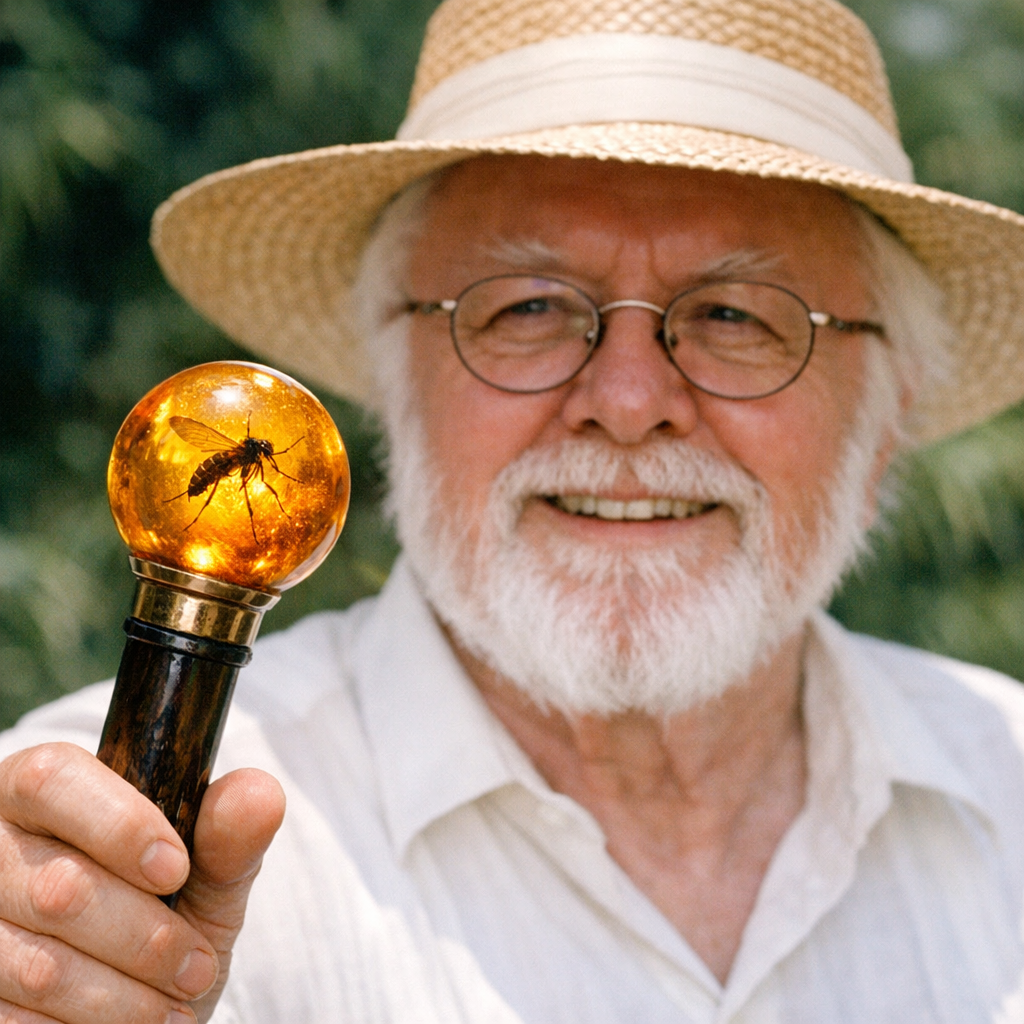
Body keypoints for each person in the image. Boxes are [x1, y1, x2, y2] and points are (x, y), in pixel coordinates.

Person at [3, 0, 1024, 1020]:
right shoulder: (78, 868)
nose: (627, 405)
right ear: (393, 385)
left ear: (887, 408)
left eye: (734, 316)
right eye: (526, 307)